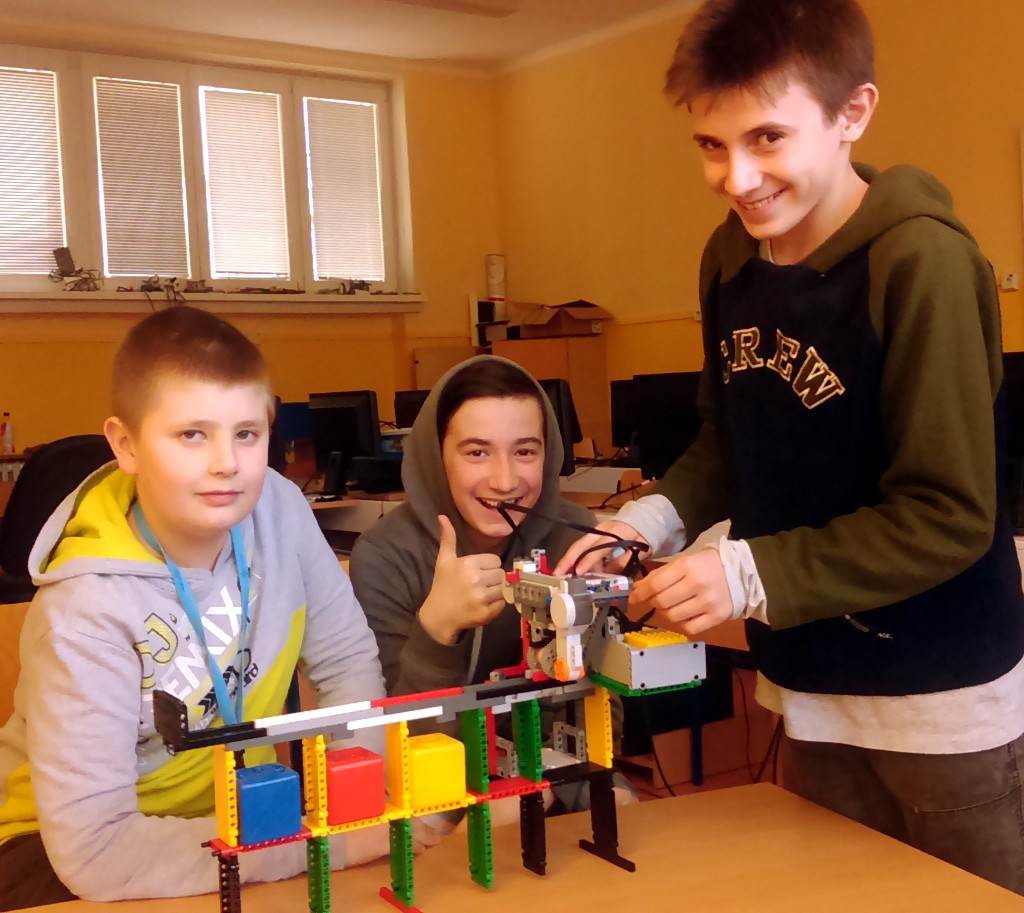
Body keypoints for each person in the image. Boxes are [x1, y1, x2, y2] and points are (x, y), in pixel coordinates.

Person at [555, 0, 1024, 893]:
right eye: (711, 145)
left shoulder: (921, 263)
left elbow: (950, 514)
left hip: (939, 698)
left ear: (853, 113)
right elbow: (728, 436)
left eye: (767, 138)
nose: (737, 177)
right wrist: (646, 520)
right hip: (807, 682)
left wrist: (745, 573)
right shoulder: (729, 259)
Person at [0, 306, 406, 910]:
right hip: (63, 850)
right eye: (192, 434)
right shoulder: (84, 609)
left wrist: (359, 806)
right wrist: (328, 844)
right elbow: (97, 854)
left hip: (243, 819)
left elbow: (345, 661)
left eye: (247, 434)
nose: (227, 463)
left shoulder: (280, 508)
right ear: (126, 444)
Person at [350, 356, 634, 815]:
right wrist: (436, 632)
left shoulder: (575, 539)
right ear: (436, 457)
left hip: (556, 770)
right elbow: (401, 744)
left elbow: (602, 712)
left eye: (525, 452)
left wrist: (556, 781)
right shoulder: (386, 556)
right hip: (434, 789)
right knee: (505, 816)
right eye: (477, 453)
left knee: (621, 808)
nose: (505, 481)